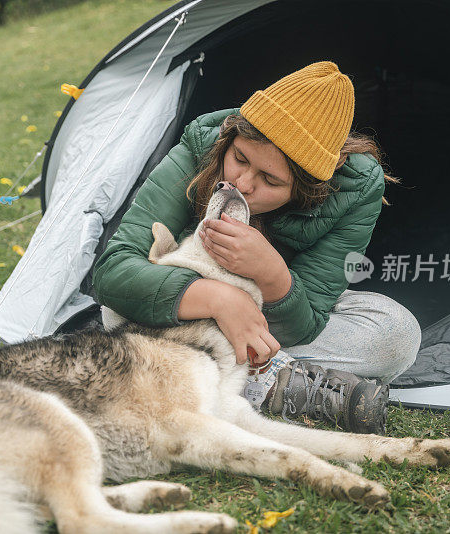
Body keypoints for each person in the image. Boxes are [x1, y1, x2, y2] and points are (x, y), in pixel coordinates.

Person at [93, 61, 421, 434]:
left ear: (307, 188)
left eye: (270, 180)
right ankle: (279, 383)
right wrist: (220, 299)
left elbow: (308, 321)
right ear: (230, 139)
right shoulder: (202, 140)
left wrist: (272, 275)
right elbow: (113, 270)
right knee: (114, 310)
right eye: (239, 159)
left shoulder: (356, 187)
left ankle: (195, 371)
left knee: (396, 333)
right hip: (191, 299)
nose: (242, 182)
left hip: (269, 318)